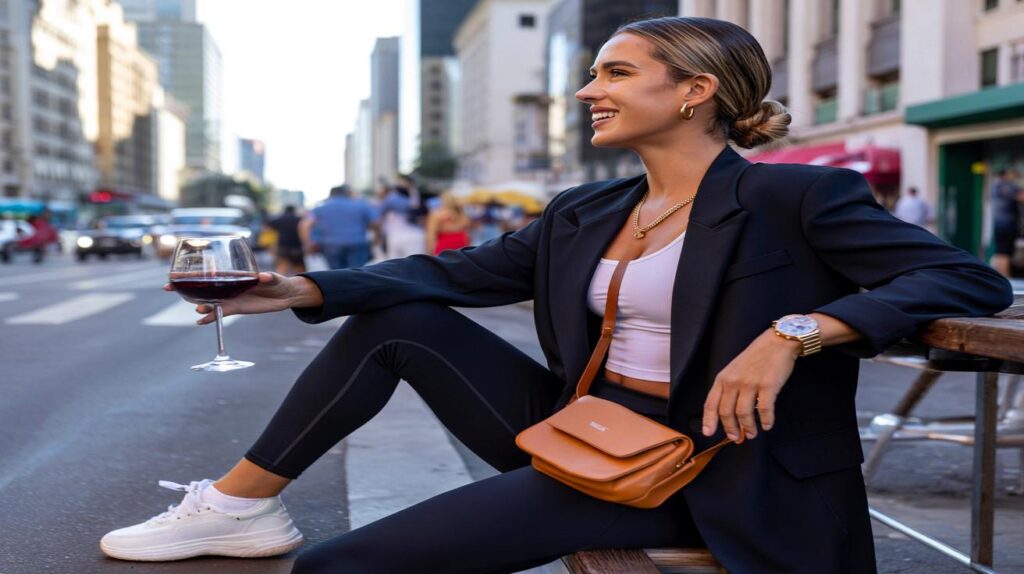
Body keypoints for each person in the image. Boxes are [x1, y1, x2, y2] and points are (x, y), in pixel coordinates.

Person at [101, 17, 1013, 573]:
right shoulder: (589, 208)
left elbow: (966, 276)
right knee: (400, 319)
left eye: (617, 74)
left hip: (709, 468)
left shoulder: (795, 196)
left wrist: (799, 330)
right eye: (597, 73)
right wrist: (299, 286)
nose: (588, 91)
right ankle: (238, 505)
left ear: (696, 93)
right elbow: (459, 274)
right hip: (590, 432)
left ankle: (239, 511)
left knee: (346, 567)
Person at [299, 184, 378, 270]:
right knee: (356, 274)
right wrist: (377, 239)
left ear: (331, 194)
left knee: (337, 274)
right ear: (348, 193)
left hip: (331, 245)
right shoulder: (361, 206)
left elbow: (305, 225)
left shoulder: (321, 208)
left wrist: (308, 244)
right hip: (357, 244)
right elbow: (376, 223)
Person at [990, 168, 1024, 277]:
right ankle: (1005, 276)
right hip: (1008, 224)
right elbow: (1021, 197)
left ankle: (1000, 276)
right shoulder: (1007, 186)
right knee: (1005, 252)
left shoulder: (995, 186)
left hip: (998, 223)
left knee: (1000, 251)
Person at [267, 205, 306, 276]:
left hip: (282, 246)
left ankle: (279, 284)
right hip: (296, 246)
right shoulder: (298, 219)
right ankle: (300, 283)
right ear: (294, 210)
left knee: (282, 267)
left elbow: (268, 228)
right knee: (299, 268)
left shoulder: (279, 219)